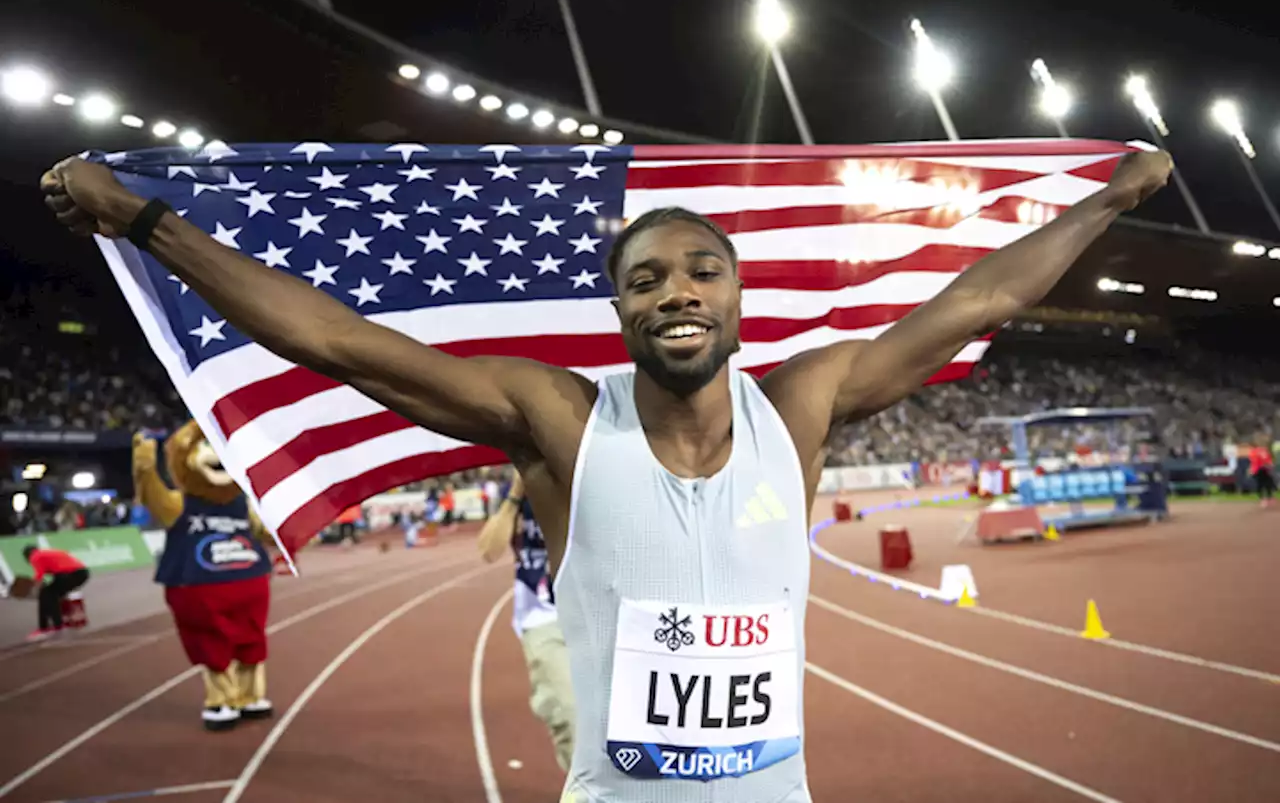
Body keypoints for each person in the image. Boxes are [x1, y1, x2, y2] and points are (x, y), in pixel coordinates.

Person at [40, 148, 1173, 800]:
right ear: (617, 309)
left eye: (699, 270)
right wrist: (148, 221)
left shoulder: (804, 402)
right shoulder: (560, 421)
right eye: (643, 280)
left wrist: (1110, 198)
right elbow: (337, 342)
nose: (674, 290)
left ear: (736, 296)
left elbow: (979, 300)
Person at [477, 470, 575, 772]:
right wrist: (515, 495)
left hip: (595, 612)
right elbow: (489, 551)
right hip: (543, 616)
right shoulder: (522, 491)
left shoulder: (585, 472)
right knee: (571, 716)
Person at [23, 544, 90, 640]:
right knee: (49, 594)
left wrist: (32, 591)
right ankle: (55, 624)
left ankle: (48, 627)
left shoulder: (35, 557)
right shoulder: (47, 553)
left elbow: (39, 577)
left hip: (70, 575)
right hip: (82, 573)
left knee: (46, 595)